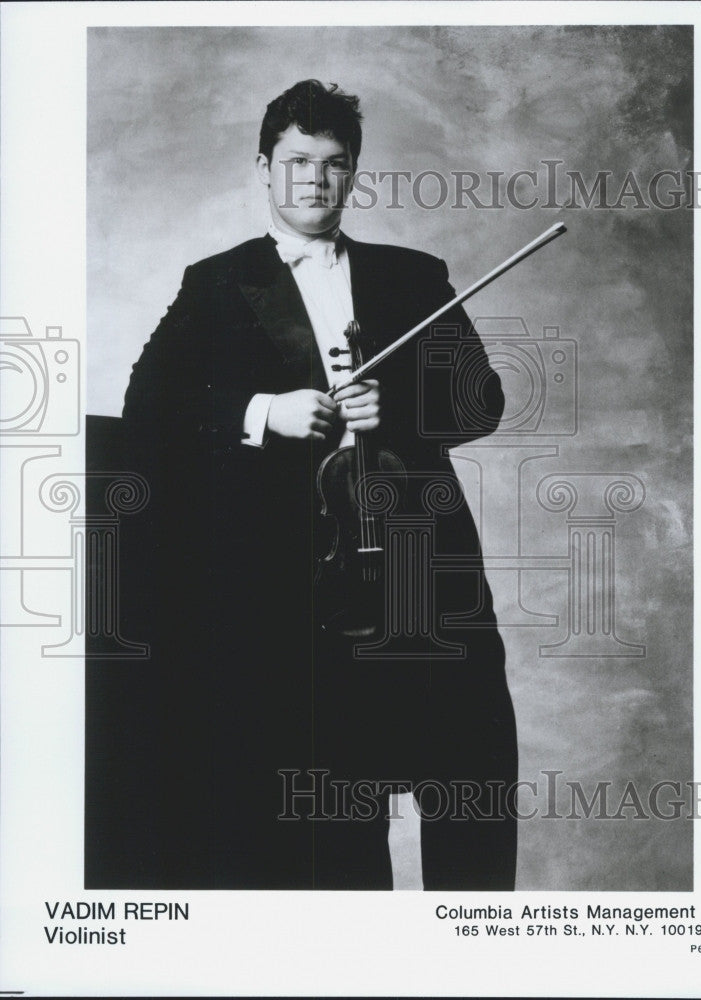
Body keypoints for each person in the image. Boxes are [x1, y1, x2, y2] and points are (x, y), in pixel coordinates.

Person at [122, 79, 518, 890]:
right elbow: (147, 410)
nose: (314, 179)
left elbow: (482, 398)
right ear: (264, 168)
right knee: (335, 800)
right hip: (299, 587)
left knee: (470, 777)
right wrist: (265, 410)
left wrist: (396, 408)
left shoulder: (414, 275)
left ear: (354, 175)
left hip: (421, 572)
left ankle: (482, 952)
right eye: (297, 161)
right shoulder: (217, 283)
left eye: (334, 164)